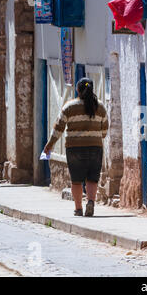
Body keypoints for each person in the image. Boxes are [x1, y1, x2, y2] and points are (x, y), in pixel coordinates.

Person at [44, 78, 109, 217]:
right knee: (92, 178)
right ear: (92, 88)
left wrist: (50, 144)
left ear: (78, 90)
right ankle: (91, 202)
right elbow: (104, 130)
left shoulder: (69, 106)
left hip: (74, 148)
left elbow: (58, 128)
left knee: (76, 179)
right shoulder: (100, 107)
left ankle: (78, 208)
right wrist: (97, 136)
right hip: (95, 147)